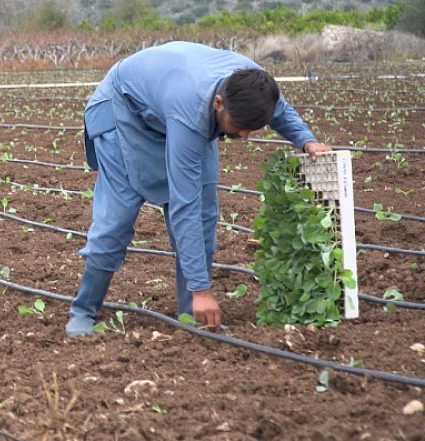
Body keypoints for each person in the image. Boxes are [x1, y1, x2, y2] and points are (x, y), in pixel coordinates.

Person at [66, 41, 331, 336]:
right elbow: (184, 204)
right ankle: (83, 311)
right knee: (117, 220)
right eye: (239, 126)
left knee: (205, 217)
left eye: (251, 128)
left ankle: (190, 314)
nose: (243, 136)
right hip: (125, 112)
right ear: (219, 103)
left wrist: (306, 140)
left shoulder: (253, 83)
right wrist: (202, 289)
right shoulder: (190, 111)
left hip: (175, 110)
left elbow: (278, 110)